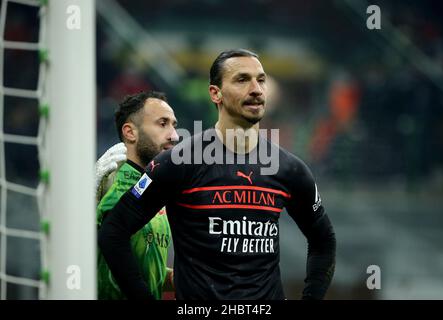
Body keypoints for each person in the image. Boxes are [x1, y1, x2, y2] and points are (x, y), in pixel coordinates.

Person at [98, 49, 336, 300]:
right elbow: (113, 232)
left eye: (261, 79)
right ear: (215, 93)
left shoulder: (290, 168)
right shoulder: (178, 163)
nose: (256, 89)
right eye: (242, 79)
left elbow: (323, 240)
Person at [96, 91, 178, 299]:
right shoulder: (115, 181)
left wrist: (177, 279)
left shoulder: (152, 188)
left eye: (173, 125)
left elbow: (136, 267)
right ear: (130, 132)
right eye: (162, 124)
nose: (174, 136)